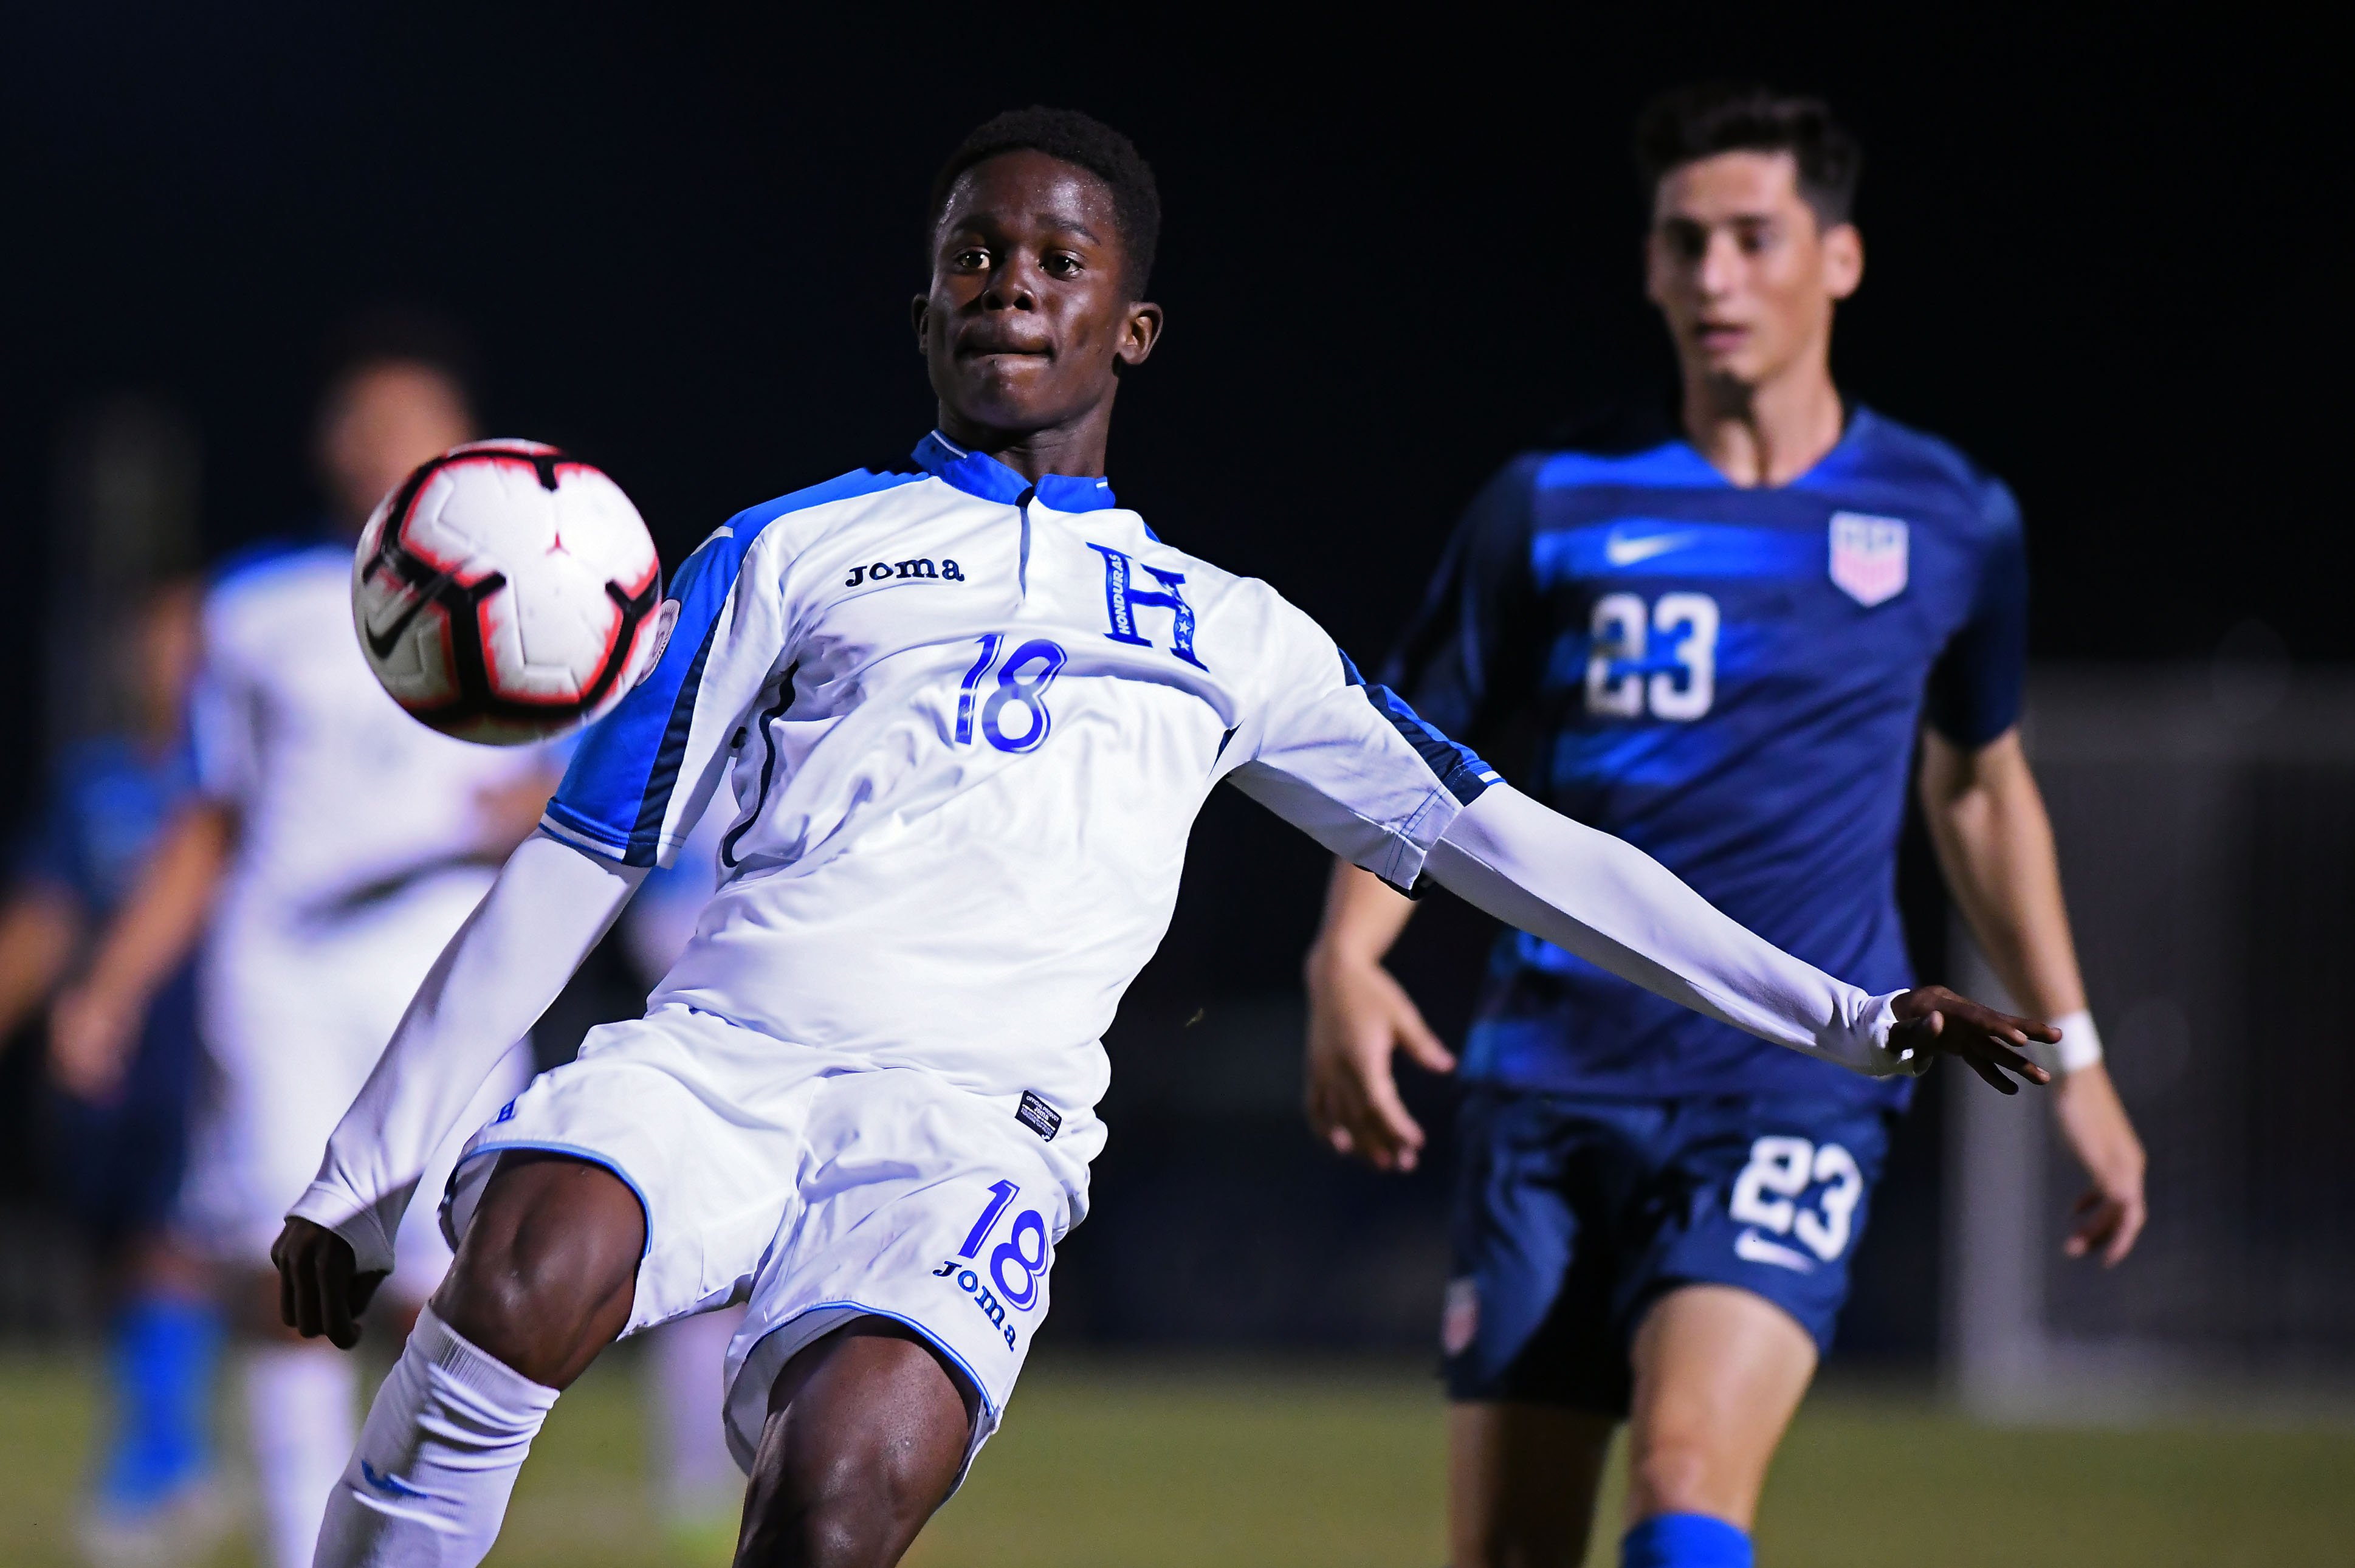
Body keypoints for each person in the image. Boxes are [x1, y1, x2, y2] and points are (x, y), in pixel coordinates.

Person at [270, 107, 2053, 1568]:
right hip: (731, 1056)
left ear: (1128, 326)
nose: (1008, 290)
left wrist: (1840, 1007)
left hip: (977, 1132)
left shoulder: (1233, 633)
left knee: (833, 1510)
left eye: (1057, 262)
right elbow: (584, 852)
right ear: (922, 317)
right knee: (533, 1256)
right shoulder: (786, 550)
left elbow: (1519, 845)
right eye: (971, 258)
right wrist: (362, 1168)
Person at [1299, 84, 2150, 1568]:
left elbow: (1976, 787)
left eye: (1753, 240)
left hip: (1790, 1080)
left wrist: (2075, 1061)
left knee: (1687, 1473)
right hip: (1550, 1084)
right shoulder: (1550, 506)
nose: (1713, 280)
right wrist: (1346, 958)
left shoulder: (1951, 517)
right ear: (1647, 266)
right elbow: (1411, 756)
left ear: (1839, 259)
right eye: (1683, 244)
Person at [56, 318, 548, 1568]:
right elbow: (207, 820)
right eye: (358, 420)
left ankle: (418, 1540)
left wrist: (527, 811)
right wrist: (111, 988)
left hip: (448, 963)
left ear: (459, 446)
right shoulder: (257, 610)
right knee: (290, 1272)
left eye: (406, 420)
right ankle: (295, 1545)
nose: (376, 445)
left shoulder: (533, 590)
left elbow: (586, 799)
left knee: (451, 1294)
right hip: (278, 969)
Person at [0, 579, 227, 1565]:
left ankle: (155, 1472)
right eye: (155, 645)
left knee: (175, 1245)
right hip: (110, 1055)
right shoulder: (93, 782)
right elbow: (44, 917)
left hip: (216, 1046)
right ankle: (178, 1461)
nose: (169, 664)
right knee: (121, 1259)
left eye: (190, 645)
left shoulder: (239, 781)